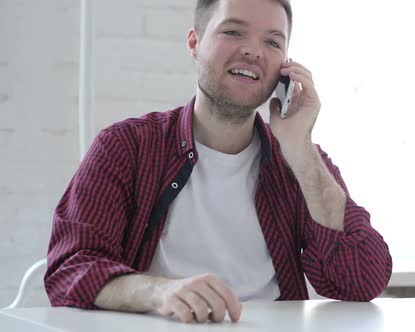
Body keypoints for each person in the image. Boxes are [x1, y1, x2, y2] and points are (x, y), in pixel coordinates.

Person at [44, 0, 392, 324]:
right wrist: (158, 290)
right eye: (233, 32)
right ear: (194, 44)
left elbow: (360, 282)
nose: (253, 50)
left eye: (273, 42)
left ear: (285, 67)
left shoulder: (301, 162)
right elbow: (70, 269)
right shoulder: (125, 147)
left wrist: (301, 149)